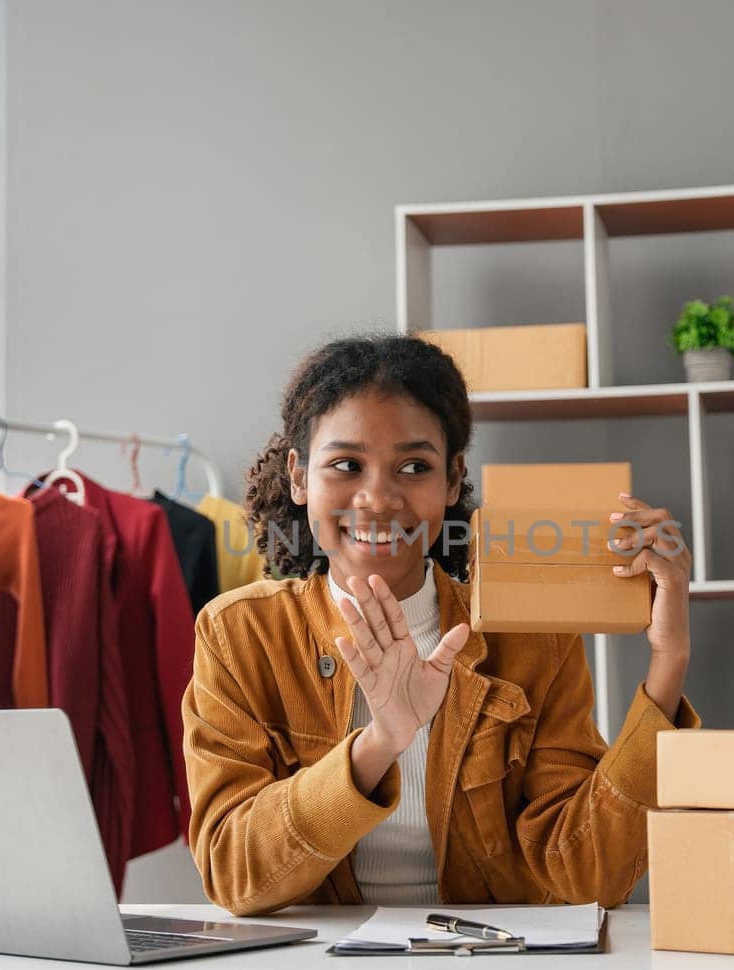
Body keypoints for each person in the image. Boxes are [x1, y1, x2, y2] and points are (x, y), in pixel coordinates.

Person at [181, 334, 699, 916]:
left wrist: (669, 660)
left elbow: (588, 877)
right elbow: (231, 874)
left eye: (414, 466)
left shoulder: (533, 635)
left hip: (491, 966)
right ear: (300, 476)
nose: (378, 499)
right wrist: (380, 745)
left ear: (452, 480)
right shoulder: (239, 634)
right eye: (347, 465)